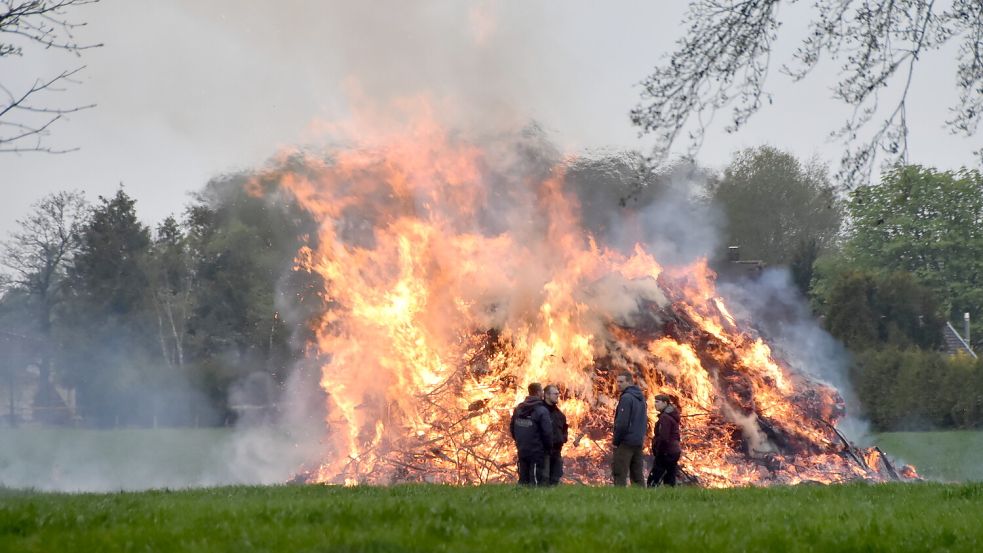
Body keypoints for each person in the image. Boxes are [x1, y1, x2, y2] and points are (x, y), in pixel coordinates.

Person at [509, 382, 553, 486]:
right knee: (535, 481)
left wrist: (519, 442)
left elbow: (512, 428)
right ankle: (534, 498)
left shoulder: (518, 409)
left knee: (523, 480)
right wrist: (548, 448)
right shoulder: (542, 410)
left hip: (522, 448)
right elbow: (547, 432)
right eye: (542, 391)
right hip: (536, 451)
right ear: (538, 393)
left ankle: (521, 499)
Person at [612, 370, 647, 487]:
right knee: (637, 476)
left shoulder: (626, 398)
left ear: (629, 382)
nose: (618, 384)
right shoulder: (641, 398)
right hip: (638, 441)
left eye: (621, 381)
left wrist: (616, 441)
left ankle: (619, 500)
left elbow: (622, 423)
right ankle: (642, 501)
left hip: (626, 442)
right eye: (617, 382)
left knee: (619, 473)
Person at [648, 393, 682, 487]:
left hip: (666, 451)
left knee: (654, 479)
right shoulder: (670, 415)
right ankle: (669, 496)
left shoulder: (665, 418)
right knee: (669, 477)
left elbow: (664, 437)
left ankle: (649, 496)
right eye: (655, 402)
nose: (655, 404)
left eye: (658, 402)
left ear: (665, 403)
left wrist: (658, 451)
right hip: (674, 451)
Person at [543, 384, 568, 485]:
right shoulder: (540, 411)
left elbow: (564, 427)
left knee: (555, 478)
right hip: (544, 451)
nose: (558, 395)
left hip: (557, 451)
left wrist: (563, 438)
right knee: (544, 479)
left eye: (558, 393)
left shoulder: (559, 414)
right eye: (555, 393)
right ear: (547, 395)